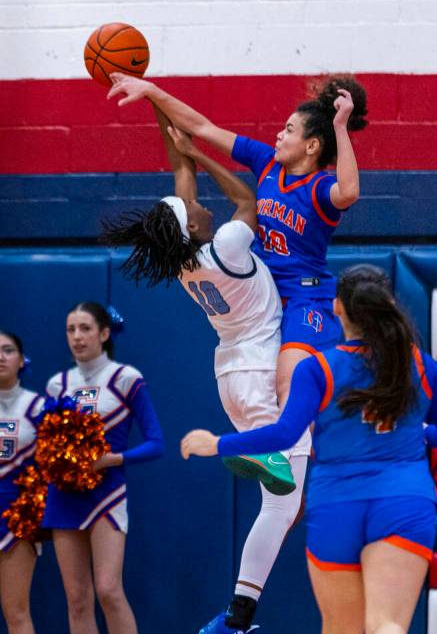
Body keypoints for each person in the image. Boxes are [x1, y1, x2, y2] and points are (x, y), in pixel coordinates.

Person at [180, 264, 437, 634]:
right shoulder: (416, 364)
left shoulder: (317, 369)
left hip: (336, 506)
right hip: (403, 501)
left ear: (339, 310)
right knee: (385, 623)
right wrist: (422, 436)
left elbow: (281, 436)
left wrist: (218, 444)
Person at [100, 108, 310, 634]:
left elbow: (180, 194)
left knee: (284, 508)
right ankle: (235, 620)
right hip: (265, 370)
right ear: (191, 226)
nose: (198, 205)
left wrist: (174, 144)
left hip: (229, 375)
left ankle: (239, 609)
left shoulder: (186, 258)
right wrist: (204, 158)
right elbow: (247, 201)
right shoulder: (229, 248)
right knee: (284, 503)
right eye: (193, 210)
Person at [106, 72, 368, 416]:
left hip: (306, 298)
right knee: (284, 398)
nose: (279, 133)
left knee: (288, 382)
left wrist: (340, 126)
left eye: (288, 129)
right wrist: (153, 91)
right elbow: (201, 126)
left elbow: (348, 191)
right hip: (266, 293)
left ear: (312, 145)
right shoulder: (267, 164)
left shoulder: (319, 188)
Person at [41, 303, 164, 634]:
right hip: (63, 497)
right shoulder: (57, 383)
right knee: (77, 599)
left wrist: (114, 459)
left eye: (86, 328)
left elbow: (156, 442)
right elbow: (47, 445)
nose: (77, 336)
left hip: (107, 494)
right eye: (70, 329)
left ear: (105, 333)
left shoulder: (126, 379)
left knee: (109, 589)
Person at [0, 331, 44, 634]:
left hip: (17, 521)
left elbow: (52, 466)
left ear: (21, 359)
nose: (0, 357)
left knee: (16, 610)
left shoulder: (37, 407)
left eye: (8, 350)